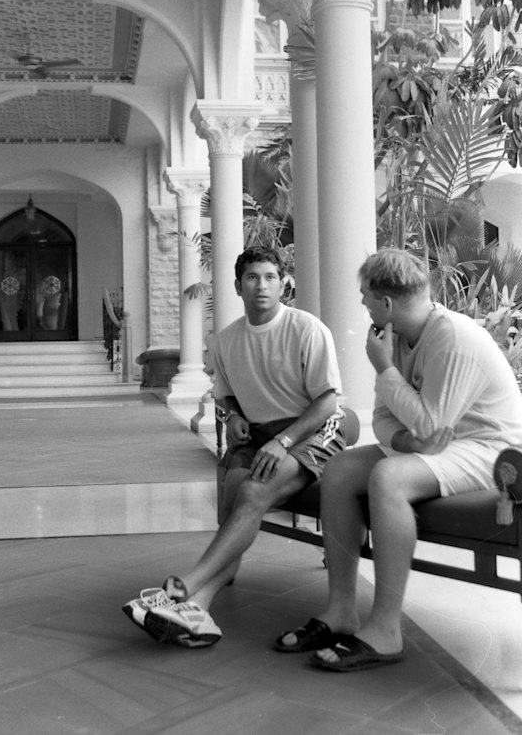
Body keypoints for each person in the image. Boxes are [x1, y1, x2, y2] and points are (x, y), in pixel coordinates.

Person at [276, 248, 522, 671]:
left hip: (491, 448)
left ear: (385, 303)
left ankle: (386, 630)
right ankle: (340, 610)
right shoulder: (394, 338)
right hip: (440, 445)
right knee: (339, 469)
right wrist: (408, 443)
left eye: (365, 296)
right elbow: (385, 417)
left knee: (388, 478)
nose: (362, 304)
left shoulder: (451, 337)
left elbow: (429, 424)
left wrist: (386, 370)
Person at [123, 246, 347, 648]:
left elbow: (328, 402)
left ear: (283, 284)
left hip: (311, 432)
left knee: (252, 492)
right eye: (252, 278)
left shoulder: (307, 329)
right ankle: (200, 611)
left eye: (270, 277)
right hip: (260, 435)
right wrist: (236, 418)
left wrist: (284, 441)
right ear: (237, 286)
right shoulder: (226, 340)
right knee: (232, 503)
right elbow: (226, 396)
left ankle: (182, 587)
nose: (262, 286)